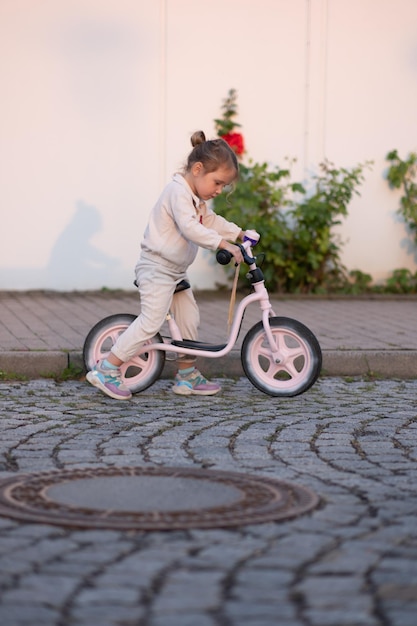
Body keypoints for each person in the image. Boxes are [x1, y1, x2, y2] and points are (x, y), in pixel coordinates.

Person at [87, 130, 257, 400]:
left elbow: (210, 222)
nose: (219, 190)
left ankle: (186, 375)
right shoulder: (177, 193)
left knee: (189, 319)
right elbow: (190, 228)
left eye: (223, 186)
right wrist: (223, 245)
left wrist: (238, 234)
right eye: (217, 182)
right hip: (156, 268)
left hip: (175, 272)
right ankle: (106, 369)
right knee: (151, 321)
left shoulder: (196, 200)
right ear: (198, 169)